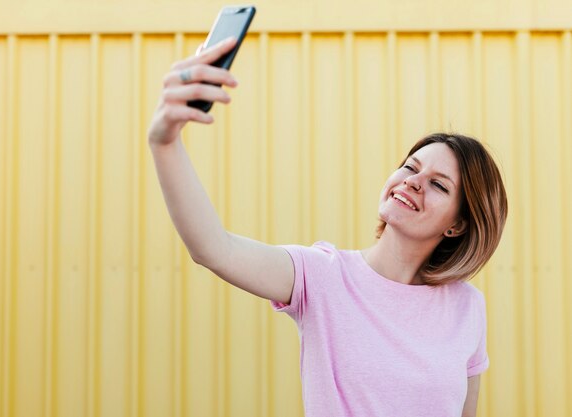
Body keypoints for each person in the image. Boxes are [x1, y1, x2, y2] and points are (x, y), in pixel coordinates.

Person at [148, 37, 508, 417]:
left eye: (438, 184)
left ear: (458, 225)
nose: (413, 181)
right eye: (410, 166)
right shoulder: (323, 276)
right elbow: (212, 248)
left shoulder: (467, 307)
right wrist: (165, 143)